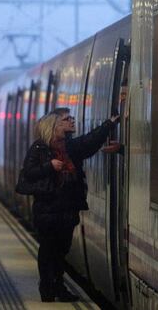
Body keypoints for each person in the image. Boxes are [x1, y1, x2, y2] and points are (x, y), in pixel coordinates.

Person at [22, 107, 119, 302]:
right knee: (48, 249)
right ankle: (48, 287)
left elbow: (90, 142)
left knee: (61, 250)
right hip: (47, 210)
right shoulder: (39, 150)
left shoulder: (70, 148)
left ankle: (58, 285)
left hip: (66, 210)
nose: (72, 121)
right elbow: (28, 174)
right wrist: (49, 166)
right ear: (55, 125)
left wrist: (110, 123)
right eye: (67, 119)